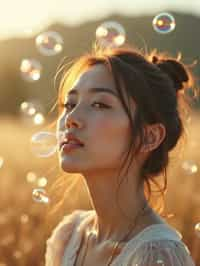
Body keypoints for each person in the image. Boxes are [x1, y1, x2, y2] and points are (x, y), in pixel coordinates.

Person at [45, 45, 196, 266]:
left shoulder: (158, 256)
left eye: (99, 104)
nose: (71, 118)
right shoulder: (69, 236)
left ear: (149, 137)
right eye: (70, 104)